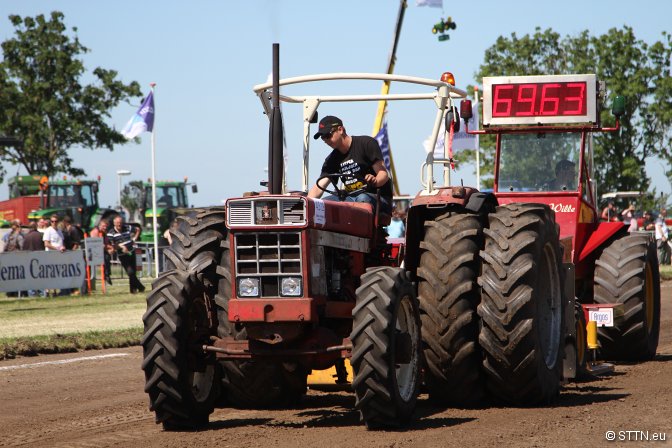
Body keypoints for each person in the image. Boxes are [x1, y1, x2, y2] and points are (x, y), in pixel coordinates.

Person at [308, 115, 392, 215]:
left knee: (362, 198)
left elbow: (383, 174)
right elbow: (319, 187)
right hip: (351, 198)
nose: (325, 140)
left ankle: (361, 230)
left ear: (340, 129)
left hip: (377, 197)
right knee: (326, 203)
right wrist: (306, 204)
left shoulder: (366, 143)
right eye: (323, 138)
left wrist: (375, 181)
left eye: (327, 135)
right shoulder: (332, 159)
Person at [108, 215, 145, 293]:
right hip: (123, 255)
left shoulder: (127, 227)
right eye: (118, 223)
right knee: (130, 272)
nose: (119, 224)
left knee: (133, 272)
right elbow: (112, 246)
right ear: (114, 223)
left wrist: (134, 238)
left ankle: (133, 290)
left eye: (120, 222)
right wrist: (121, 247)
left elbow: (138, 229)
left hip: (131, 252)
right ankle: (141, 287)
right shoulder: (111, 233)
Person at [23, 221, 45, 297]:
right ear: (36, 227)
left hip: (29, 259)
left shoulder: (26, 236)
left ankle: (32, 294)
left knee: (30, 277)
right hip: (39, 258)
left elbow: (24, 249)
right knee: (40, 277)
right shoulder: (40, 235)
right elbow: (43, 247)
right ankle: (42, 293)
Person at [90, 219, 113, 285]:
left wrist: (111, 248)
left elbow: (105, 243)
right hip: (91, 251)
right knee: (106, 256)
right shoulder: (95, 231)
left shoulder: (104, 232)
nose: (105, 228)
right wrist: (108, 247)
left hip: (100, 250)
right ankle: (106, 275)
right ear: (100, 226)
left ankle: (107, 275)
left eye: (106, 226)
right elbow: (98, 244)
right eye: (103, 226)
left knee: (107, 257)